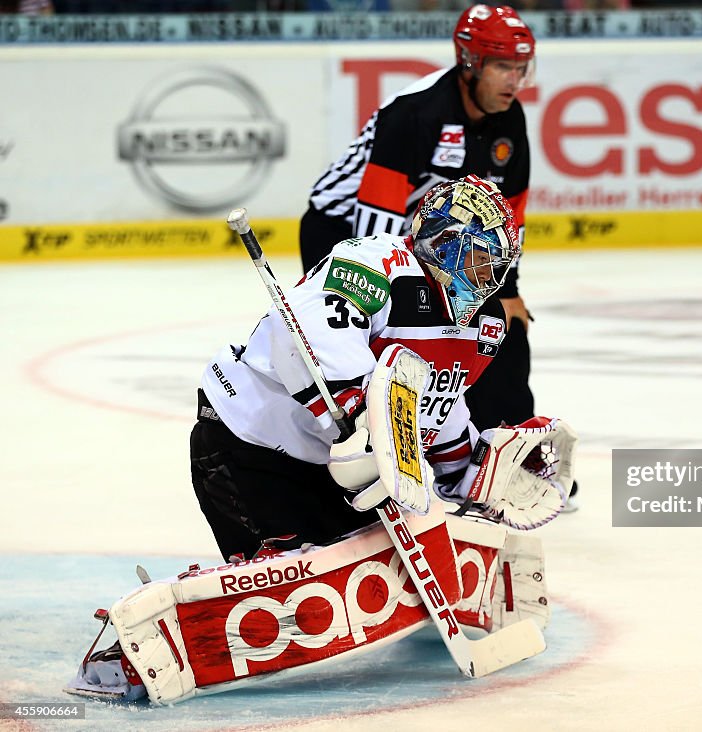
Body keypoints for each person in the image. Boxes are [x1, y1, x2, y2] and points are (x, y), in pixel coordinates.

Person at [191, 176, 554, 562]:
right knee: (303, 598)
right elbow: (298, 337)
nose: (487, 278)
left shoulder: (482, 325)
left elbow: (439, 402)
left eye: (495, 265)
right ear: (445, 242)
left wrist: (472, 470)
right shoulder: (374, 263)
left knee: (378, 579)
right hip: (253, 444)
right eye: (480, 258)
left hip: (334, 471)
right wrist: (364, 419)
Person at [301, 5, 579, 504]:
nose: (514, 80)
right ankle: (360, 455)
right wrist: (402, 299)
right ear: (469, 62)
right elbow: (373, 223)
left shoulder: (508, 119)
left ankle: (508, 451)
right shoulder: (416, 113)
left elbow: (508, 217)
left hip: (431, 244)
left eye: (521, 68)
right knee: (372, 344)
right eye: (502, 67)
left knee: (500, 327)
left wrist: (507, 289)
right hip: (344, 233)